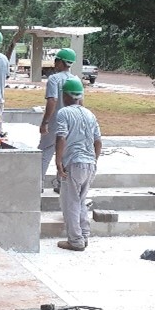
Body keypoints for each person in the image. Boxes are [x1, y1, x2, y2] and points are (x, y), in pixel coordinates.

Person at [52, 76, 102, 251]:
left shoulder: (64, 113)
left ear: (65, 96)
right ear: (79, 96)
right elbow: (98, 141)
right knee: (80, 201)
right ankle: (84, 236)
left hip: (73, 163)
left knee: (70, 202)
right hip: (90, 164)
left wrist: (58, 161)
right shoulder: (90, 114)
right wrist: (94, 160)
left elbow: (61, 137)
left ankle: (75, 241)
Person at [38, 47, 77, 187]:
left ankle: (39, 184)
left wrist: (45, 122)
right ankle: (62, 184)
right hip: (71, 124)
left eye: (56, 61)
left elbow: (52, 100)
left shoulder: (54, 79)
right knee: (65, 154)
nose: (54, 64)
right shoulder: (75, 80)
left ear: (61, 62)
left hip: (55, 122)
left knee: (44, 152)